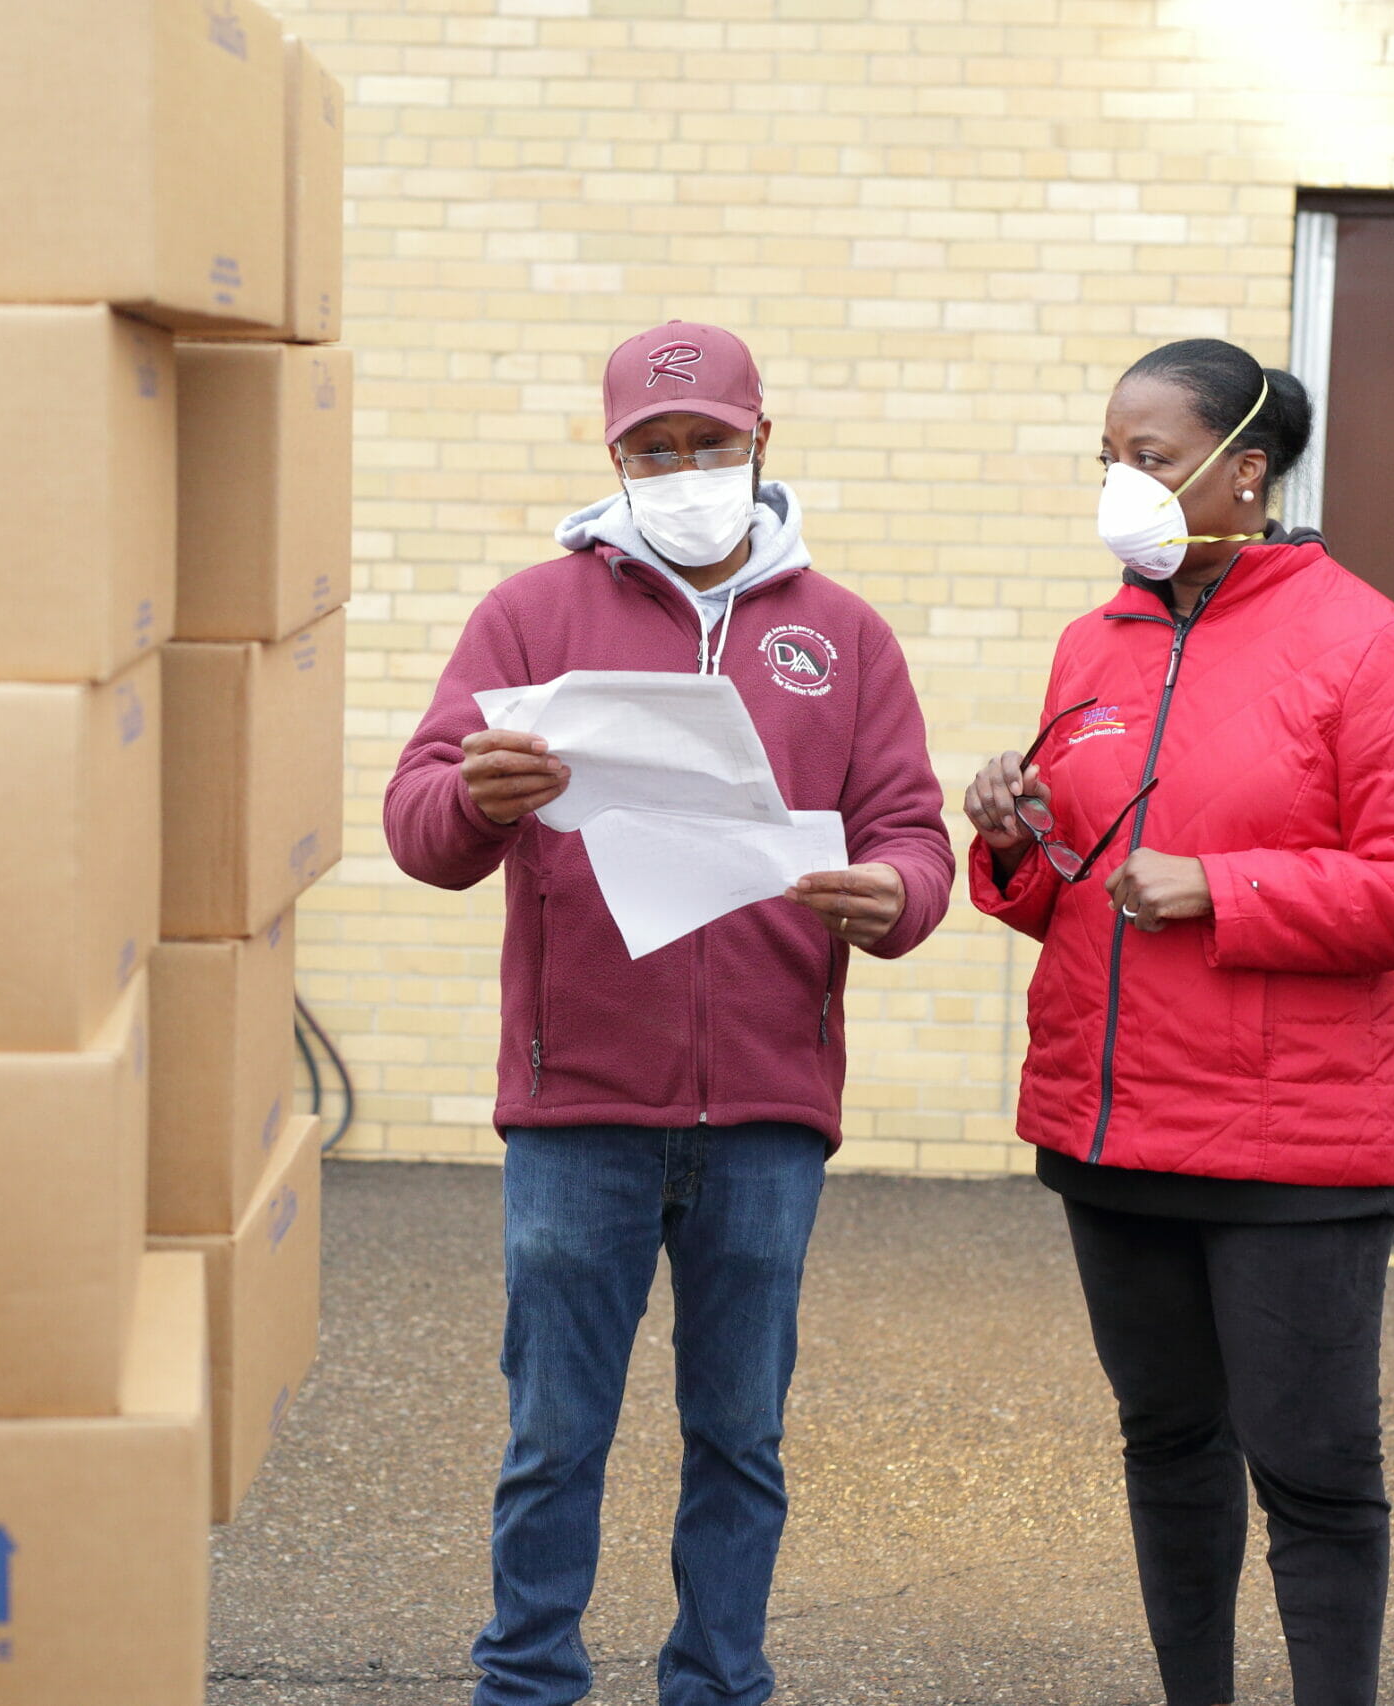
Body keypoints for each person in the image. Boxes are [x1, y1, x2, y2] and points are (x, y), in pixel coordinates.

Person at [382, 320, 954, 1706]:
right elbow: (417, 820)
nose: (684, 467)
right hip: (578, 1106)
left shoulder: (843, 633)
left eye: (709, 442)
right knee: (554, 1434)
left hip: (766, 1110)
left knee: (741, 1438)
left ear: (764, 442)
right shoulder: (531, 615)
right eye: (655, 447)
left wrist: (895, 895)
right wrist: (477, 797)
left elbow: (913, 835)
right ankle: (526, 1680)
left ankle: (718, 1681)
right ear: (615, 458)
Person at [962, 338, 1394, 1706]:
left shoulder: (1371, 643)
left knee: (1313, 1474)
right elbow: (1073, 894)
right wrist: (1014, 836)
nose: (1120, 486)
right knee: (1167, 1443)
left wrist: (1223, 886)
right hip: (1112, 1132)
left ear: (1245, 470)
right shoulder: (1094, 642)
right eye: (1108, 459)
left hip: (1289, 1155)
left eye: (1150, 456)